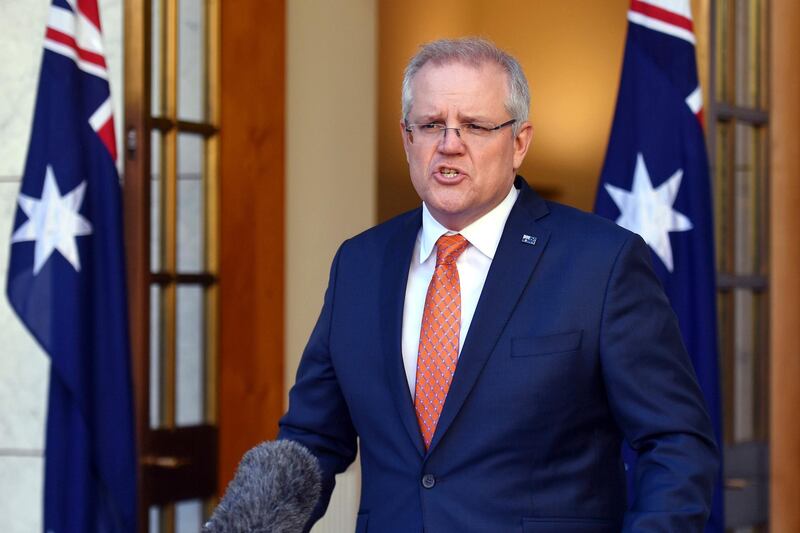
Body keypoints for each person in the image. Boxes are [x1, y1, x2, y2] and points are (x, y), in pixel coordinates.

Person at [278, 37, 718, 532]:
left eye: (476, 126)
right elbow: (310, 440)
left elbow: (676, 443)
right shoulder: (359, 263)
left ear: (520, 142)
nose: (449, 143)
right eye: (430, 125)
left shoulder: (602, 263)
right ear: (407, 138)